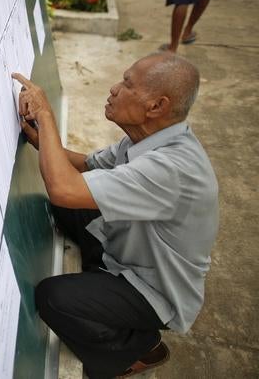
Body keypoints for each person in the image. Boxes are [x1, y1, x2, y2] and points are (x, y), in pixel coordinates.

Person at [12, 52, 218, 379]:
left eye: (127, 84)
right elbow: (85, 165)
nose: (114, 89)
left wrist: (46, 116)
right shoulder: (148, 139)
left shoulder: (171, 169)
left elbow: (63, 188)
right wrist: (42, 141)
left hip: (154, 289)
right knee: (71, 205)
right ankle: (101, 282)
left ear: (156, 106)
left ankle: (135, 350)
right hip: (129, 250)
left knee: (53, 298)